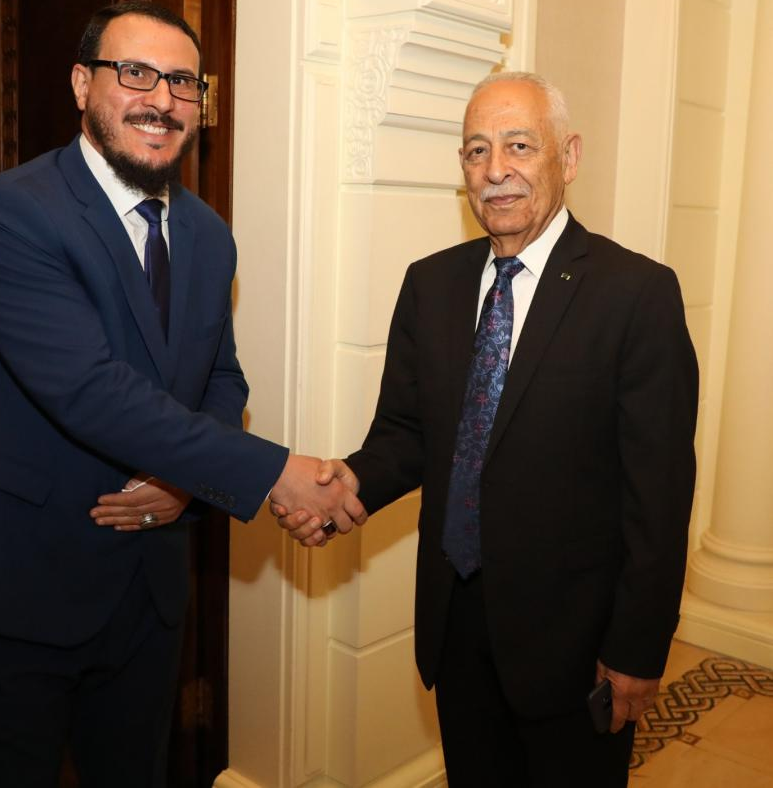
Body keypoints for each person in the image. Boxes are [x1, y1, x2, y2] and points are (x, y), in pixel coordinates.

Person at [0, 0, 363, 788]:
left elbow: (222, 378)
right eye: (136, 73)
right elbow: (88, 390)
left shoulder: (209, 234)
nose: (162, 100)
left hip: (146, 594)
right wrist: (274, 474)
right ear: (83, 84)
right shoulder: (9, 213)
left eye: (183, 82)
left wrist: (184, 485)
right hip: (11, 586)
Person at [275, 72, 698, 786]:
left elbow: (658, 497)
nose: (495, 169)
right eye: (477, 151)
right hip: (457, 625)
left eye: (518, 146)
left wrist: (637, 647)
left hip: (575, 645)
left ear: (569, 156)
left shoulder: (637, 294)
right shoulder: (430, 283)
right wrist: (348, 484)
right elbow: (408, 432)